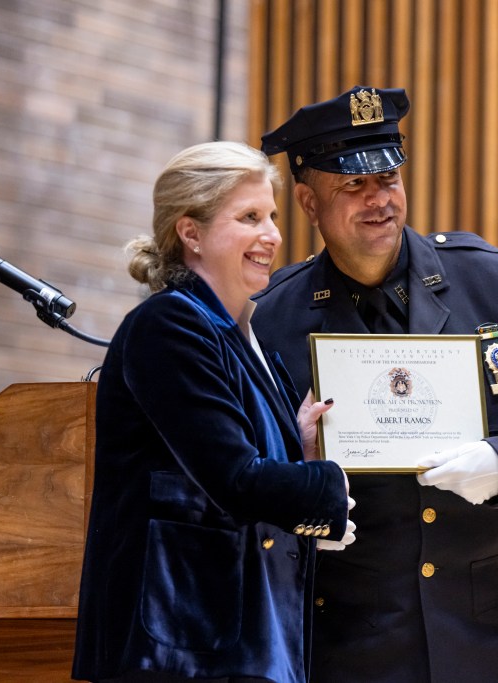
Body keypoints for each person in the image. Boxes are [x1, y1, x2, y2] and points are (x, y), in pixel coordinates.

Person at [253, 85, 498, 682]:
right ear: (306, 200)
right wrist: (299, 488)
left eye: (390, 178)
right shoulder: (274, 317)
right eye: (353, 185)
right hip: (358, 647)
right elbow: (246, 479)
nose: (379, 200)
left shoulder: (496, 282)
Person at [72, 141, 355, 683]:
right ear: (191, 232)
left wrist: (301, 448)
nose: (272, 235)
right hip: (179, 647)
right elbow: (233, 478)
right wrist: (328, 485)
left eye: (271, 216)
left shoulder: (251, 340)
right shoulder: (170, 326)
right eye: (249, 217)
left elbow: (238, 460)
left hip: (244, 641)